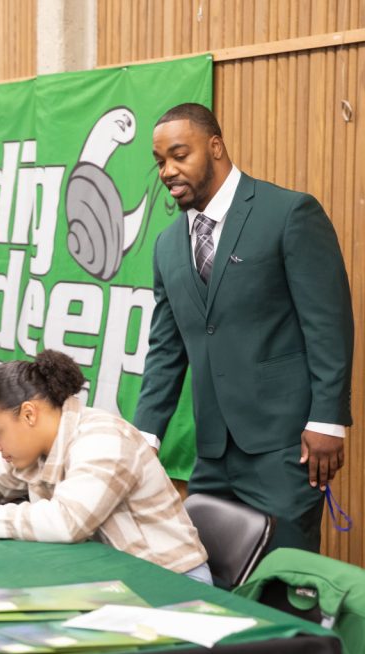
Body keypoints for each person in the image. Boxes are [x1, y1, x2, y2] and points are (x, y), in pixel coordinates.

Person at [132, 103, 354, 553]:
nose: (168, 171)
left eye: (179, 155)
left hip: (286, 447)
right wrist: (145, 436)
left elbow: (328, 324)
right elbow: (165, 350)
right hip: (212, 454)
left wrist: (328, 419)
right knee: (209, 576)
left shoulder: (289, 213)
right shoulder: (167, 245)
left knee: (282, 579)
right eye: (160, 162)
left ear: (215, 146)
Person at [0, 351, 210, 582]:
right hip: (111, 578)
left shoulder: (103, 439)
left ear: (28, 414)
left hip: (170, 583)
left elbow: (66, 522)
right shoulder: (37, 444)